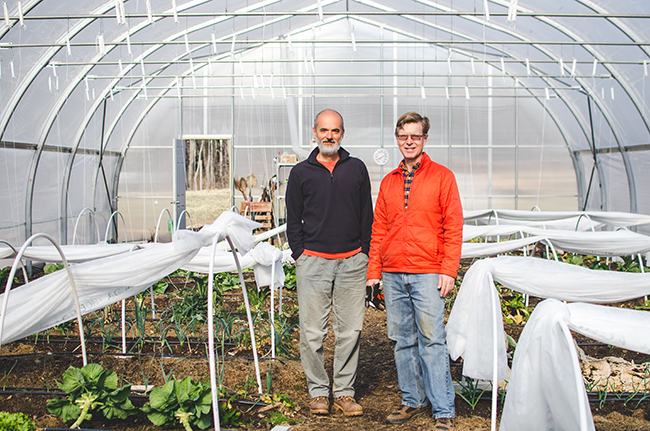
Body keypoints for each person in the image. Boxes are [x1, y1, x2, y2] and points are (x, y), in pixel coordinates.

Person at [366, 112, 463, 431]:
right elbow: (379, 227)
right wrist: (374, 271)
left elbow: (453, 226)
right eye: (403, 136)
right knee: (402, 340)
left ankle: (443, 408)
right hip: (393, 274)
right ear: (397, 139)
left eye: (415, 136)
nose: (409, 141)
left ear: (424, 139)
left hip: (428, 272)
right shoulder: (389, 181)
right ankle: (412, 400)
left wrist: (448, 269)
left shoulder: (442, 177)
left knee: (432, 340)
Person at [285, 109, 373, 417]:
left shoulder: (357, 169)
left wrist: (364, 251)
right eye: (324, 130)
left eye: (335, 130)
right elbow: (292, 218)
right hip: (314, 262)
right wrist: (300, 252)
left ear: (342, 134)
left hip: (352, 261)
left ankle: (345, 393)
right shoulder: (300, 173)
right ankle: (319, 392)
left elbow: (367, 215)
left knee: (350, 331)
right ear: (314, 132)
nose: (329, 136)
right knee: (312, 332)